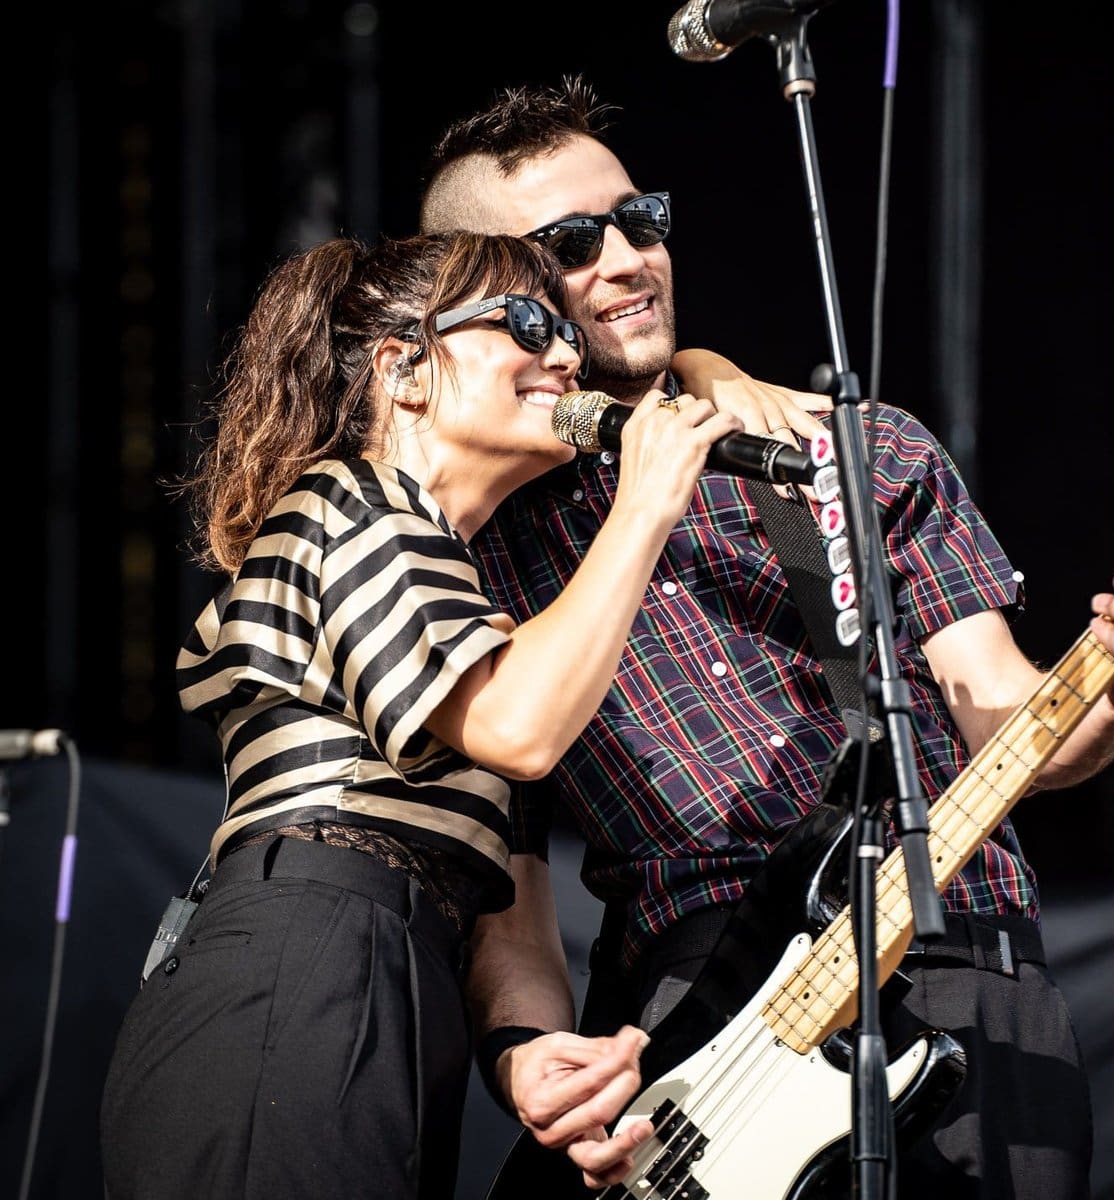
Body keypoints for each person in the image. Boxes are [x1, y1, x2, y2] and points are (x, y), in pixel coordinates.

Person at [419, 78, 1114, 1199]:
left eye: (637, 218)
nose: (624, 256)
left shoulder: (851, 451)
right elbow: (508, 874)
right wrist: (527, 1061)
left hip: (946, 951)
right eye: (568, 242)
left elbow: (1004, 715)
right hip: (692, 1012)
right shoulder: (480, 544)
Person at [98, 229, 749, 1198]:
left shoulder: (467, 601)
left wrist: (525, 1054)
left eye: (567, 331)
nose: (566, 355)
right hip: (306, 958)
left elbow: (510, 910)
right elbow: (519, 732)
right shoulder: (349, 503)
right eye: (527, 324)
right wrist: (645, 503)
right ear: (404, 371)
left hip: (394, 981)